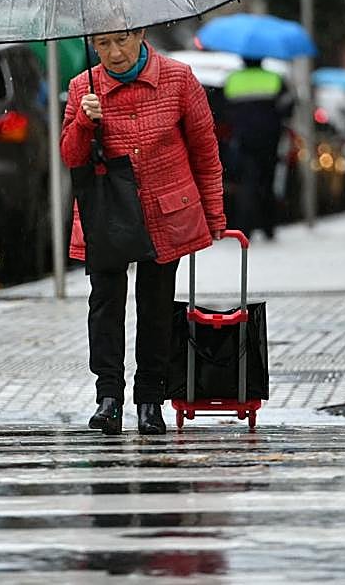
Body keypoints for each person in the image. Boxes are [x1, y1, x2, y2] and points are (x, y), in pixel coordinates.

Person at [61, 28, 225, 436]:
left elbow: (205, 150)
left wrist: (215, 216)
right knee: (105, 306)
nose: (114, 53)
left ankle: (150, 400)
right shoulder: (83, 86)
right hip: (107, 213)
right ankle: (109, 398)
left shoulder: (179, 78)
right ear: (93, 46)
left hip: (164, 211)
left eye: (121, 40)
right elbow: (70, 155)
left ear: (139, 34)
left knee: (155, 307)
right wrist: (84, 120)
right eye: (103, 44)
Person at [223, 57, 291, 241]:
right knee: (268, 184)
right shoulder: (274, 78)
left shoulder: (233, 79)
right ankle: (269, 227)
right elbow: (287, 107)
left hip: (244, 140)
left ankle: (246, 228)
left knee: (248, 184)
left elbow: (224, 109)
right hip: (270, 140)